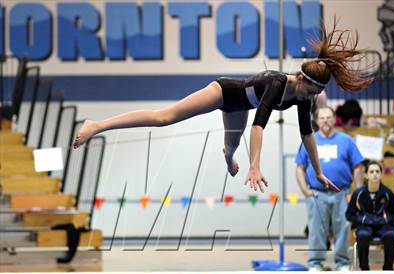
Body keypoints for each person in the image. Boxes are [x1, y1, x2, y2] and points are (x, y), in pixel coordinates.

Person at [73, 18, 372, 193]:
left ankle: (228, 156)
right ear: (302, 79)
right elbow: (260, 125)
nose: (312, 98)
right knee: (164, 117)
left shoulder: (301, 98)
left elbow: (308, 135)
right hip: (224, 92)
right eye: (313, 91)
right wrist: (255, 165)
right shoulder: (280, 83)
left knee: (230, 150)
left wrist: (318, 172)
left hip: (240, 107)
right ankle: (96, 125)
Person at [295, 106, 365, 271]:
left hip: (342, 193)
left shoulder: (346, 140)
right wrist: (305, 191)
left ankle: (342, 263)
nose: (325, 120)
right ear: (317, 121)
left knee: (343, 228)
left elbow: (357, 167)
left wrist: (359, 192)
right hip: (317, 194)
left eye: (328, 117)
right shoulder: (308, 140)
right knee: (316, 230)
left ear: (334, 120)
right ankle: (315, 263)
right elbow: (299, 168)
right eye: (322, 118)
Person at [346, 161, 394, 270]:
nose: (375, 174)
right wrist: (361, 220)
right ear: (366, 175)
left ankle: (388, 268)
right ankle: (364, 268)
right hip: (365, 225)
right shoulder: (358, 193)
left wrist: (385, 220)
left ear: (381, 174)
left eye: (377, 171)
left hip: (383, 225)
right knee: (362, 235)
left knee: (390, 235)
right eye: (371, 172)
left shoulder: (387, 193)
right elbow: (349, 214)